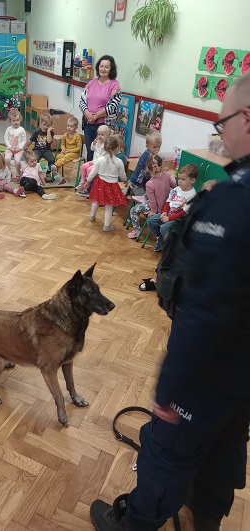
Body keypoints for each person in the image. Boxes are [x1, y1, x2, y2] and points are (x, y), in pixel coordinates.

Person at [90, 71, 250, 531]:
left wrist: (169, 390)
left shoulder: (234, 204)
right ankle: (208, 514)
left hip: (210, 370)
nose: (220, 136)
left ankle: (135, 522)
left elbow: (203, 312)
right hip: (243, 374)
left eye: (222, 124)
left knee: (167, 450)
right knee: (227, 440)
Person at [79, 55, 121, 162]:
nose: (103, 69)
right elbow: (82, 101)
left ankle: (100, 173)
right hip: (88, 123)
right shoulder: (91, 83)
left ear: (111, 69)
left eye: (107, 67)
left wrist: (96, 116)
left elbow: (112, 106)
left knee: (103, 152)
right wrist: (88, 114)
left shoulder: (114, 84)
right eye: (101, 66)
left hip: (104, 126)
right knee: (90, 150)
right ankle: (89, 171)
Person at [147, 164, 197, 251]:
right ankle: (160, 238)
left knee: (164, 228)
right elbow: (168, 201)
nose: (179, 181)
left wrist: (168, 218)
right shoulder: (176, 189)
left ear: (192, 180)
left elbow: (183, 213)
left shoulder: (192, 195)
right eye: (179, 178)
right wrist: (164, 212)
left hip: (180, 219)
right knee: (151, 221)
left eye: (183, 179)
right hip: (169, 214)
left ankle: (170, 244)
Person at [84, 136, 127, 232]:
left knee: (96, 201)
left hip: (100, 183)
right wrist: (125, 180)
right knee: (109, 206)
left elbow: (93, 172)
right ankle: (106, 226)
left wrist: (88, 181)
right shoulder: (119, 161)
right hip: (112, 186)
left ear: (104, 147)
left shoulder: (100, 159)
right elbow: (122, 175)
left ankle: (92, 216)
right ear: (117, 148)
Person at [127, 155, 176, 239]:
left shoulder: (149, 184)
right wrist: (172, 177)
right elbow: (173, 185)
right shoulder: (165, 174)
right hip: (167, 206)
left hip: (157, 208)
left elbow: (153, 202)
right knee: (147, 196)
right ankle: (144, 197)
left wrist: (153, 212)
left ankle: (136, 231)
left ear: (148, 169)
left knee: (133, 210)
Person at [76, 125, 111, 194]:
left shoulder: (106, 146)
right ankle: (83, 181)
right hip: (94, 162)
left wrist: (94, 162)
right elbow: (92, 149)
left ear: (107, 136)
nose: (99, 136)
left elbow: (103, 158)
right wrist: (94, 144)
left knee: (89, 169)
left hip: (101, 164)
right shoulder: (98, 142)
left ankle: (89, 186)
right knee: (83, 166)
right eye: (98, 134)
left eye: (102, 135)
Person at [128, 131, 162, 196]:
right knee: (142, 199)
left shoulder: (151, 154)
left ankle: (129, 191)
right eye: (154, 147)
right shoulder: (148, 156)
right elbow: (153, 168)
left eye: (159, 147)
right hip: (138, 183)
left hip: (141, 182)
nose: (157, 149)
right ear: (147, 146)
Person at [25, 112, 55, 182]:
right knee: (35, 159)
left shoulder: (51, 132)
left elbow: (49, 141)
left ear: (50, 125)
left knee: (52, 159)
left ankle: (48, 173)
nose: (46, 127)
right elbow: (30, 141)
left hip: (47, 150)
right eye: (44, 125)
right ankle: (36, 172)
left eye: (48, 125)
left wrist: (48, 131)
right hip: (37, 149)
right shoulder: (36, 132)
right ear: (40, 123)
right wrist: (25, 148)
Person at [4, 108, 26, 180]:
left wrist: (19, 148)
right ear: (10, 121)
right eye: (14, 121)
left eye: (17, 120)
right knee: (7, 159)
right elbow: (6, 139)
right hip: (10, 149)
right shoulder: (8, 129)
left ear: (20, 119)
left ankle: (18, 173)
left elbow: (24, 140)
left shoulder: (22, 130)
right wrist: (10, 147)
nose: (16, 122)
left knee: (17, 161)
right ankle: (9, 172)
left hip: (18, 149)